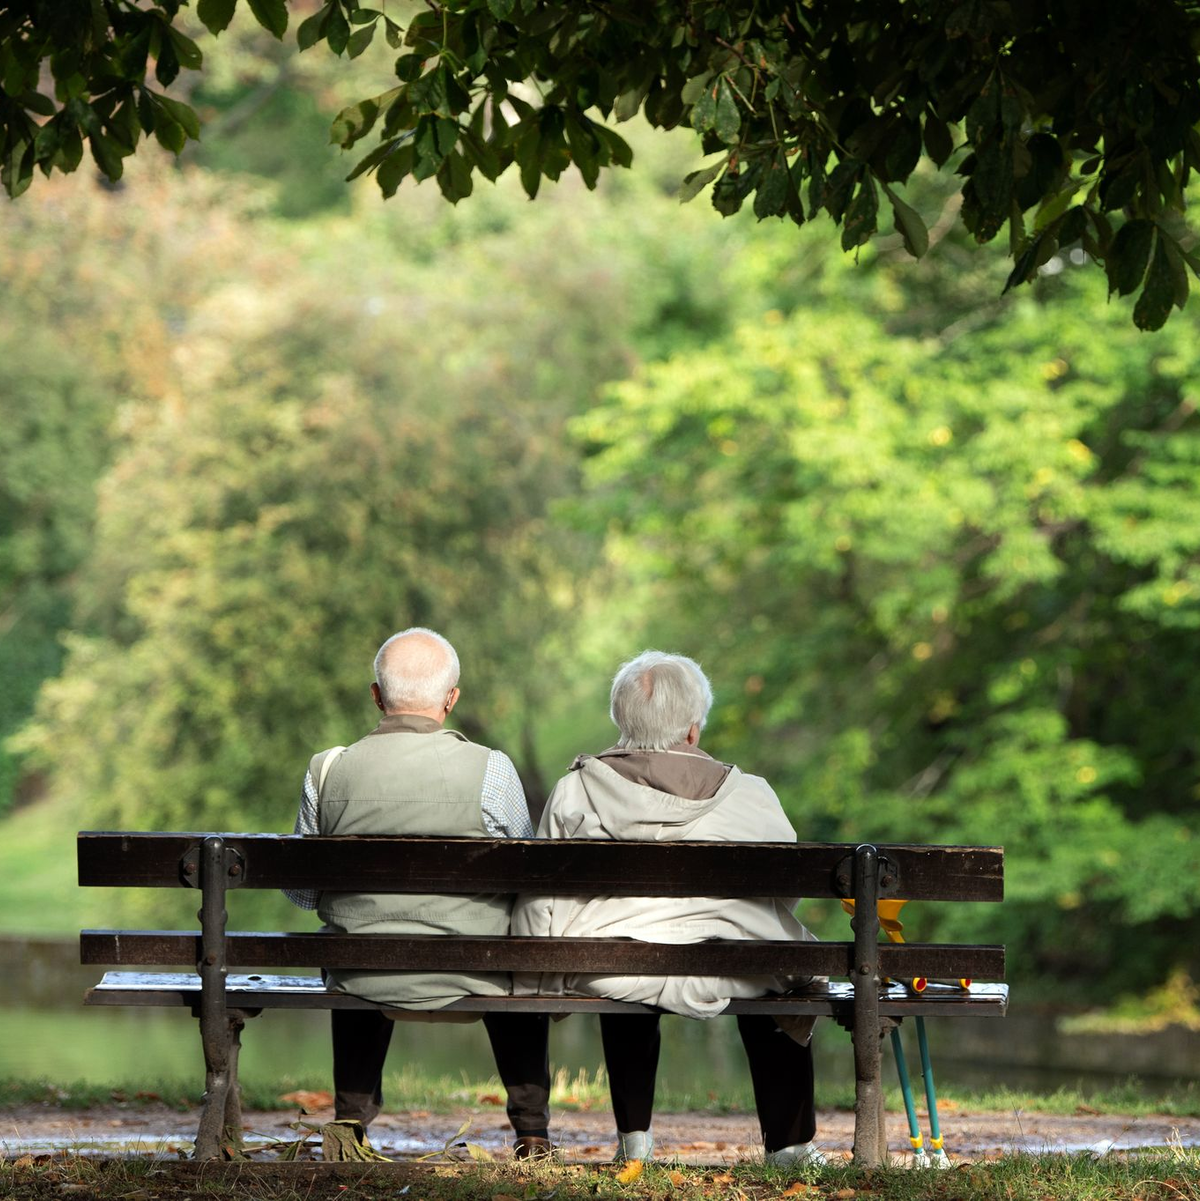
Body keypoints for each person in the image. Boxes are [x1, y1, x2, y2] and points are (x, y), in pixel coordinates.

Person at [512, 650, 824, 1167]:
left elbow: (542, 893)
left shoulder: (576, 788)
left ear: (621, 723)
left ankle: (634, 1142)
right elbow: (783, 893)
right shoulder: (751, 795)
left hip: (609, 967)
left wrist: (538, 968)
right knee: (776, 971)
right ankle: (790, 1147)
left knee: (626, 952)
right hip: (733, 967)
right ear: (693, 730)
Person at [286, 627, 552, 1159]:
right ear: (451, 700)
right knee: (519, 949)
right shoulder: (492, 770)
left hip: (361, 970)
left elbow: (304, 892)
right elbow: (525, 880)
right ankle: (532, 1132)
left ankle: (350, 1126)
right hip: (476, 968)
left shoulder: (327, 770)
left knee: (355, 940)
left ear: (377, 696)